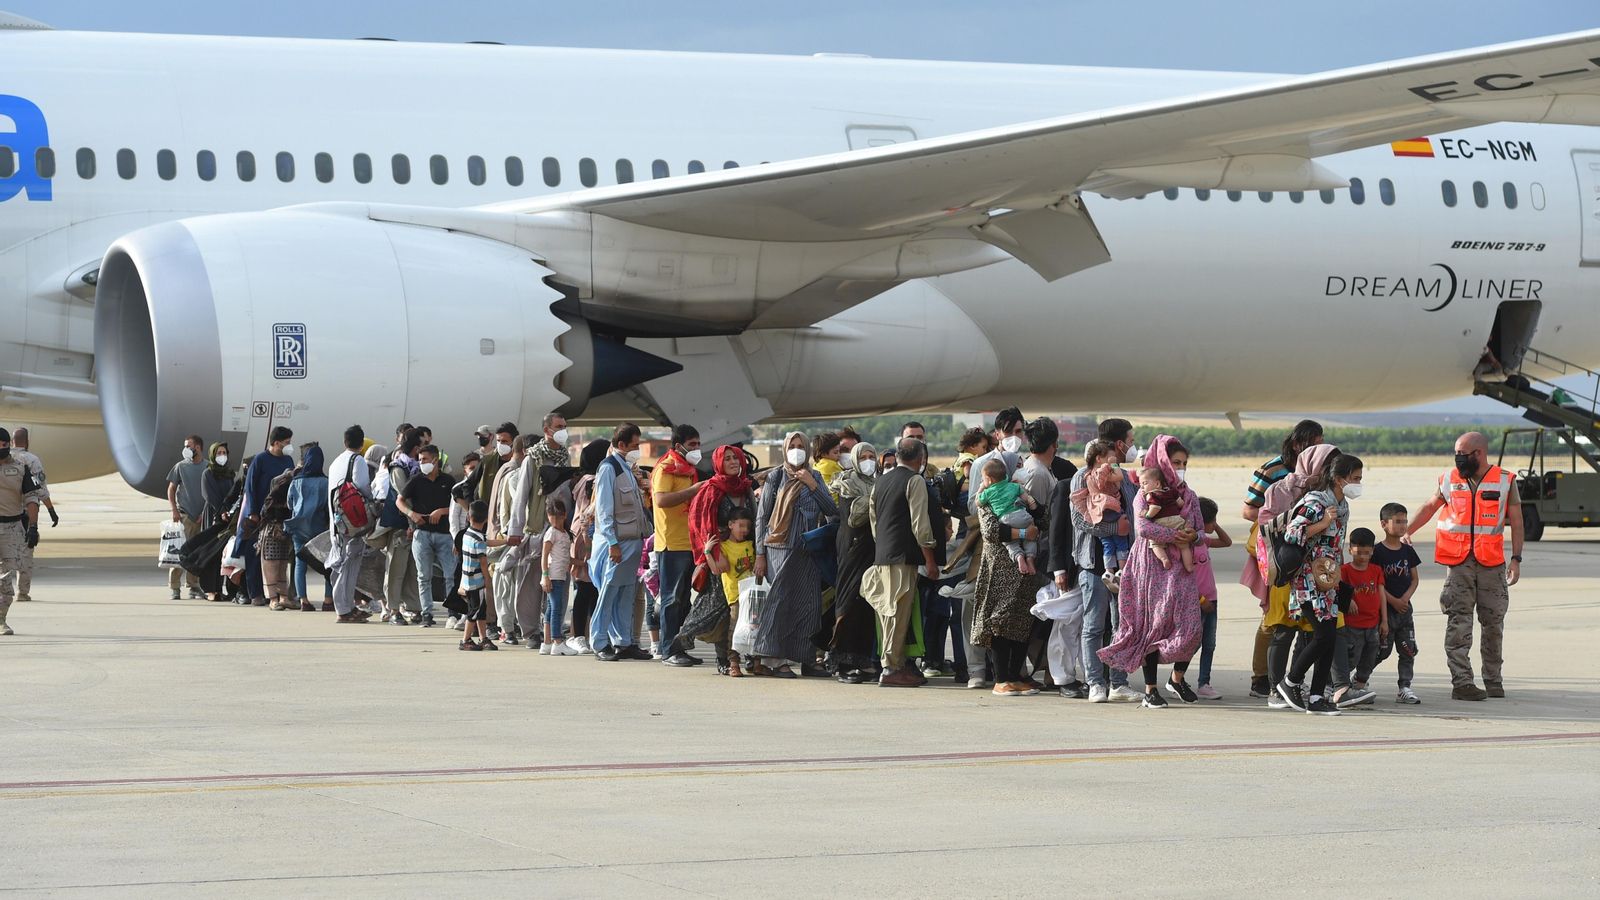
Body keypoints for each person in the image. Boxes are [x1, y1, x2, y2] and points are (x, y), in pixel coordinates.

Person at [1405, 431, 1523, 701]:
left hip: (1492, 563)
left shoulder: (1505, 481)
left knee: (1493, 622)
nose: (1458, 459)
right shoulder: (1449, 479)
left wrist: (1516, 558)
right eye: (1456, 454)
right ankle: (1462, 682)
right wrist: (1407, 530)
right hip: (1458, 563)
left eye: (1462, 454)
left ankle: (1493, 679)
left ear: (1479, 454)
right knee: (1459, 622)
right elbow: (1429, 506)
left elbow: (1516, 522)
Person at [1098, 435, 1204, 709]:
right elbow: (1143, 529)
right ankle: (1150, 690)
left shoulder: (1188, 495)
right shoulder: (1145, 494)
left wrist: (1191, 537)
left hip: (1181, 569)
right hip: (1151, 566)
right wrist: (1176, 535)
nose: (1180, 467)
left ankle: (1177, 678)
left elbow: (1200, 530)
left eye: (1184, 463)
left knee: (1192, 627)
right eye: (1175, 462)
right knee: (1152, 627)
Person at [1239, 420, 1325, 698]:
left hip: (1306, 551)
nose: (1317, 448)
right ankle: (1260, 678)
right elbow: (1249, 511)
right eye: (1314, 442)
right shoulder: (1273, 470)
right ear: (1299, 444)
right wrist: (1287, 522)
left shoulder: (1320, 473)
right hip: (1276, 549)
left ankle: (1289, 679)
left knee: (1301, 619)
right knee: (1272, 618)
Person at [1274, 453, 1364, 716]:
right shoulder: (1315, 503)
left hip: (1328, 580)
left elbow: (1335, 545)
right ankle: (1290, 682)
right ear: (1338, 479)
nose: (1358, 483)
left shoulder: (1342, 505)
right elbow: (1292, 532)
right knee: (1324, 635)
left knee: (1328, 636)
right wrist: (1323, 523)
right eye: (1355, 478)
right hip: (1308, 579)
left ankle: (1316, 698)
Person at [1255, 443, 1340, 708]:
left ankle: (1306, 690)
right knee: (1282, 630)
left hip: (1319, 574)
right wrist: (1319, 523)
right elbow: (1269, 525)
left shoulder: (1326, 495)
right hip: (1289, 568)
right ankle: (1278, 686)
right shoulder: (1284, 489)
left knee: (1316, 633)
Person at [1063, 418, 1142, 703]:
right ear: (1116, 446)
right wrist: (1113, 530)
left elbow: (1133, 518)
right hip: (1092, 564)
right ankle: (1095, 682)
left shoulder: (1125, 479)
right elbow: (1079, 520)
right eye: (1130, 442)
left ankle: (1118, 683)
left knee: (1122, 626)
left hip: (1123, 568)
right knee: (1094, 625)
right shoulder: (1082, 477)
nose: (1131, 448)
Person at [751, 431, 838, 677]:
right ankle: (776, 660)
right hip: (779, 548)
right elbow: (762, 518)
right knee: (781, 604)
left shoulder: (816, 476)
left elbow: (832, 511)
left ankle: (807, 658)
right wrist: (760, 554)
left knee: (809, 605)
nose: (797, 450)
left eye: (801, 446)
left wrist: (812, 485)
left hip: (807, 549)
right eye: (793, 445)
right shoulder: (775, 477)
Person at [958, 406, 1027, 689]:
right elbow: (973, 503)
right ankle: (976, 668)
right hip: (987, 543)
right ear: (997, 434)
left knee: (1015, 607)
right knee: (974, 603)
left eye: (1020, 432)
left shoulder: (1023, 461)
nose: (1015, 437)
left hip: (1020, 543)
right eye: (1010, 432)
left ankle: (1014, 670)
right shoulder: (982, 463)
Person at [674, 445, 757, 674]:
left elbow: (756, 523)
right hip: (720, 558)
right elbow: (699, 523)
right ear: (719, 463)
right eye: (727, 458)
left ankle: (746, 655)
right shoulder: (711, 489)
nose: (732, 462)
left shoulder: (746, 487)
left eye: (735, 458)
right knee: (719, 611)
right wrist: (710, 554)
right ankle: (723, 657)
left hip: (745, 558)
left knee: (748, 610)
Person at [864, 438, 939, 687]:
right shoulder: (914, 480)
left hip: (883, 555)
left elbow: (874, 521)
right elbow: (920, 526)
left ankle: (891, 664)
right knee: (899, 614)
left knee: (886, 614)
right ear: (920, 459)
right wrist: (931, 561)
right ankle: (892, 668)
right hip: (903, 558)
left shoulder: (881, 480)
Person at [508, 413, 573, 651]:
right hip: (537, 528)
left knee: (559, 582)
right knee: (531, 583)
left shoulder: (564, 456)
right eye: (559, 426)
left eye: (565, 426)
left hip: (561, 528)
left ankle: (553, 631)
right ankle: (531, 631)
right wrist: (515, 530)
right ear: (547, 430)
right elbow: (521, 496)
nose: (563, 430)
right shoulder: (532, 459)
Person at [589, 424, 651, 661]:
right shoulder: (609, 469)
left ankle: (623, 642)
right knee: (608, 593)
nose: (637, 450)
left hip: (632, 543)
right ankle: (600, 642)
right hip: (616, 544)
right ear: (622, 445)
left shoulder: (626, 468)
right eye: (634, 445)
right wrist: (612, 543)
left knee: (625, 594)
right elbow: (604, 511)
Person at [650, 423, 704, 666]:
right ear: (678, 446)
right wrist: (692, 492)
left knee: (683, 599)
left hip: (690, 542)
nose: (696, 449)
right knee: (671, 600)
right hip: (671, 543)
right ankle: (668, 650)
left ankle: (677, 646)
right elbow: (660, 500)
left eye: (698, 444)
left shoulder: (689, 469)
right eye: (692, 445)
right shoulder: (666, 468)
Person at [829, 441, 880, 683]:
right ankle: (841, 661)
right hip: (852, 548)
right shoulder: (847, 483)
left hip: (872, 550)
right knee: (848, 601)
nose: (868, 461)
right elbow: (855, 518)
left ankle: (861, 659)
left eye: (872, 456)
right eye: (864, 457)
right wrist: (876, 497)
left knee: (867, 603)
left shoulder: (878, 482)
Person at [237, 426, 296, 607]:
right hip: (260, 516)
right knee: (256, 555)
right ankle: (255, 593)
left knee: (279, 558)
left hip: (280, 516)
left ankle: (281, 594)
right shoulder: (260, 460)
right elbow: (251, 487)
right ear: (276, 443)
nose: (289, 446)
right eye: (287, 442)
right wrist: (253, 512)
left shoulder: (288, 460)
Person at [397, 444, 453, 628]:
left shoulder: (448, 480)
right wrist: (411, 514)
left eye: (425, 460)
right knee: (423, 576)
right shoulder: (416, 480)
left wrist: (442, 511)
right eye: (420, 460)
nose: (422, 463)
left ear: (435, 460)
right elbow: (400, 501)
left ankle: (453, 612)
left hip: (445, 534)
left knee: (450, 575)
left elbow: (459, 506)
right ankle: (427, 613)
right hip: (422, 534)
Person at [1372, 502, 1423, 704]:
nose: (1403, 526)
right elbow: (1377, 583)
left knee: (1407, 649)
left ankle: (1405, 687)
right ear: (1384, 524)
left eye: (1405, 521)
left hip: (1404, 611)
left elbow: (1415, 579)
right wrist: (1393, 601)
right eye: (1398, 521)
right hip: (1386, 610)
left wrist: (1405, 599)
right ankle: (1360, 678)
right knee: (1381, 650)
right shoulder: (1377, 552)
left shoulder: (1407, 551)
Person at [1332, 527, 1385, 708]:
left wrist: (1383, 620)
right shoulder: (1345, 570)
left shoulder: (1376, 570)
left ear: (1372, 551)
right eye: (1358, 552)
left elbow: (1381, 595)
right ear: (1350, 550)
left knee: (1371, 655)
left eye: (1366, 553)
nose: (1362, 556)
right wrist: (1349, 601)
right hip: (1353, 624)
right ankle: (1339, 685)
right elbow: (1338, 588)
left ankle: (1360, 684)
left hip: (1372, 623)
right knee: (1351, 656)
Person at [326, 426, 374, 624]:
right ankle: (343, 609)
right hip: (352, 519)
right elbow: (362, 486)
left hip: (337, 520)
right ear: (361, 444)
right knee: (350, 563)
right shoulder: (358, 460)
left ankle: (347, 606)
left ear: (344, 442)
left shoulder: (335, 462)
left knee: (341, 561)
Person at [0, 427, 44, 635]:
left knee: (6, 577)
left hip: (12, 528)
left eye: (4, 444)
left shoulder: (22, 467)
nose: (2, 448)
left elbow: (32, 497)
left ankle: (1, 619)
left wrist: (33, 527)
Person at [1071, 440, 1131, 591]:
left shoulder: (1088, 475)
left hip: (1098, 511)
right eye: (1111, 456)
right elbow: (1118, 477)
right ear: (1099, 458)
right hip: (1110, 506)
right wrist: (1114, 465)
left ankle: (1109, 571)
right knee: (1120, 542)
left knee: (1107, 544)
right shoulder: (1103, 471)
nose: (1114, 459)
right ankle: (1122, 570)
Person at [1192, 497, 1231, 700]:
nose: (1214, 524)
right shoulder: (1191, 545)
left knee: (1209, 644)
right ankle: (1176, 678)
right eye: (1212, 520)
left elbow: (1227, 542)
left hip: (1212, 599)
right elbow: (1186, 578)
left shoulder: (1204, 541)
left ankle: (1204, 683)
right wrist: (1200, 600)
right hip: (1198, 602)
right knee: (1192, 643)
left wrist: (1214, 524)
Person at [286, 443, 332, 612]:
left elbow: (289, 504)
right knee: (327, 563)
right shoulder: (325, 482)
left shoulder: (296, 482)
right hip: (319, 529)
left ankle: (304, 600)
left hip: (298, 529)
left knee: (300, 564)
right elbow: (329, 507)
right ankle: (328, 600)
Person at [162, 434, 208, 600]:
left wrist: (204, 513)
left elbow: (210, 493)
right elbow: (171, 489)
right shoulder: (180, 467)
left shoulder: (207, 467)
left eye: (189, 446)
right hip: (185, 516)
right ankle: (175, 587)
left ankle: (193, 585)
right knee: (179, 553)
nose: (186, 449)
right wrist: (174, 510)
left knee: (197, 553)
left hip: (201, 518)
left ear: (198, 448)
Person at [975, 459, 1040, 574]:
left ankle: (1019, 556)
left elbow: (977, 502)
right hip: (1022, 515)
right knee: (1031, 537)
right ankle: (1030, 557)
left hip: (1005, 520)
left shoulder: (988, 493)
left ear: (989, 480)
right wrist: (1031, 503)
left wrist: (981, 488)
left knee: (1010, 543)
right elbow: (1026, 497)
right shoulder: (1014, 486)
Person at [457, 500, 502, 650]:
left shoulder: (468, 535)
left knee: (480, 611)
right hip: (477, 582)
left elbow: (487, 542)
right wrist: (487, 579)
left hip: (467, 580)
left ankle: (483, 638)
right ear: (486, 519)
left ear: (469, 517)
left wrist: (505, 541)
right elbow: (483, 562)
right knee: (474, 612)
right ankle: (465, 640)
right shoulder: (479, 539)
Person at [539, 499, 579, 655]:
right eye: (551, 517)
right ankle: (557, 641)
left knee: (551, 609)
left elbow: (565, 557)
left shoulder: (564, 534)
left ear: (564, 515)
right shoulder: (551, 533)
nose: (555, 521)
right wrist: (545, 576)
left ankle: (547, 642)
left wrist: (581, 563)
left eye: (558, 517)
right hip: (553, 576)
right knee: (557, 608)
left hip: (561, 575)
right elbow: (544, 556)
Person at [814, 432, 844, 503]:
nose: (839, 455)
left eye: (839, 451)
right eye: (835, 452)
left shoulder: (816, 465)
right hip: (835, 503)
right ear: (824, 453)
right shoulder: (831, 465)